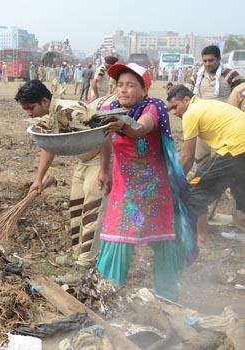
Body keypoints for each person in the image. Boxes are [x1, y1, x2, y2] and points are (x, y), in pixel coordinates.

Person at [96, 63, 195, 300]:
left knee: (163, 241)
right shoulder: (110, 109)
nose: (123, 90)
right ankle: (106, 295)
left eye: (131, 85)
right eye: (120, 85)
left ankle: (168, 296)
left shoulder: (154, 107)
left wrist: (121, 124)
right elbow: (105, 141)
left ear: (144, 89)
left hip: (154, 190)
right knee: (116, 236)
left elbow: (141, 129)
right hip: (125, 188)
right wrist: (103, 170)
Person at [16, 80, 114, 266]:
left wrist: (104, 169)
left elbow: (104, 135)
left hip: (99, 159)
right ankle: (76, 253)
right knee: (76, 207)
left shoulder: (71, 112)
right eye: (25, 109)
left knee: (92, 210)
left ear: (44, 101)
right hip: (83, 160)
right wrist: (38, 179)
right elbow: (48, 145)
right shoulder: (49, 115)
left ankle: (85, 263)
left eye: (30, 108)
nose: (28, 113)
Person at [166, 85, 245, 242]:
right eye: (171, 110)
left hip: (235, 147)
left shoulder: (191, 113)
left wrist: (174, 180)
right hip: (240, 147)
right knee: (241, 191)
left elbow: (187, 157)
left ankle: (200, 238)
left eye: (175, 107)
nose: (174, 113)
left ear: (187, 100)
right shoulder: (208, 104)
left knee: (196, 190)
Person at [190, 45, 245, 166]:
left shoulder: (231, 75)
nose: (207, 64)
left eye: (211, 60)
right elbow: (188, 99)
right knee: (200, 160)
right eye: (205, 61)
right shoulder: (196, 77)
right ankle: (202, 184)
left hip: (225, 127)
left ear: (219, 59)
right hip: (203, 126)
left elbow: (241, 96)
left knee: (221, 161)